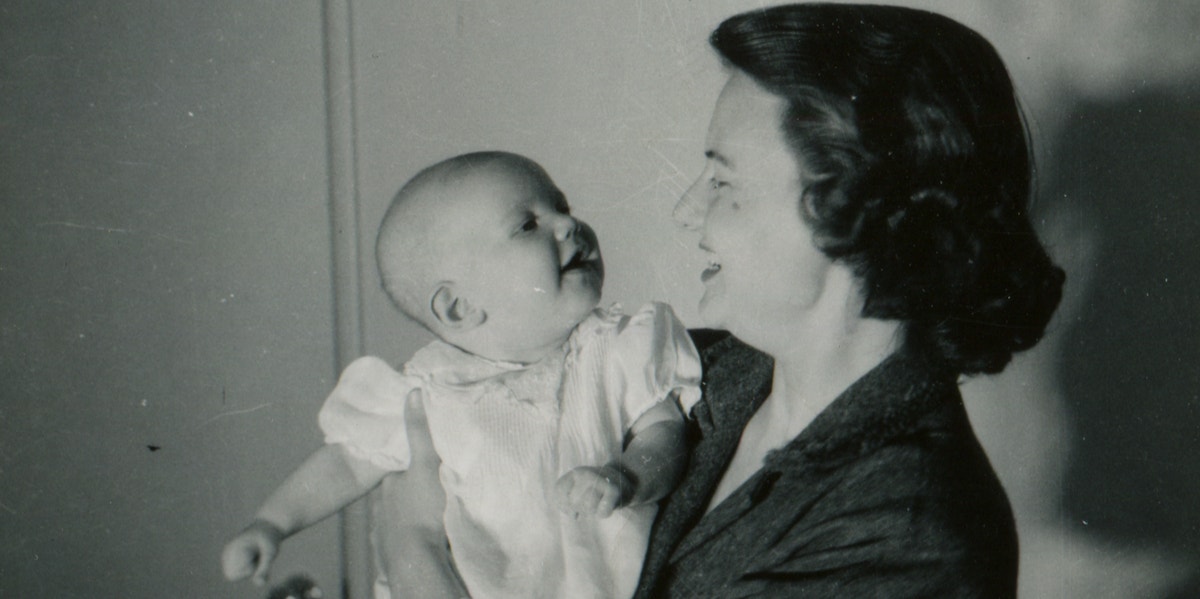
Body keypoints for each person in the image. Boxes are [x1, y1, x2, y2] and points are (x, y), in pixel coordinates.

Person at [627, 4, 1066, 597]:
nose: (686, 212)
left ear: (851, 204)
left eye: (723, 183)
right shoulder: (682, 370)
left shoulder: (910, 540)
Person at [220, 151, 702, 599]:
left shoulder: (619, 346)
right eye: (528, 225)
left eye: (562, 206)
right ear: (458, 306)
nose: (568, 223)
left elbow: (665, 433)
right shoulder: (428, 390)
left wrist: (626, 476)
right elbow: (347, 463)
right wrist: (271, 523)